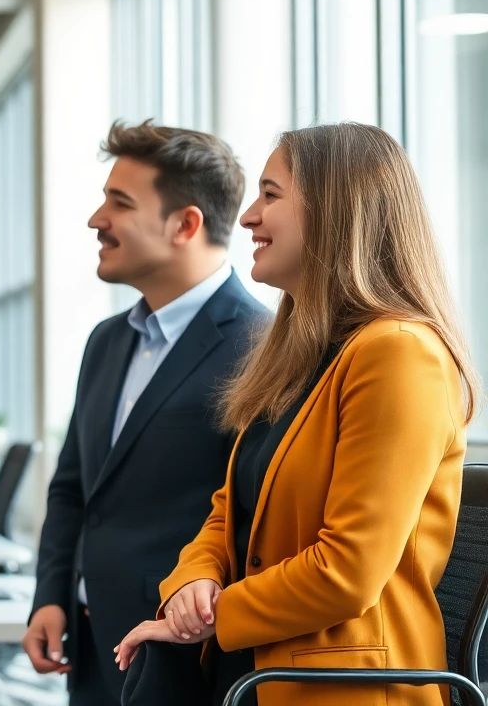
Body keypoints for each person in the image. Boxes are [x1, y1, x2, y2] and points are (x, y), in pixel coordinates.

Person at [116, 122, 481, 706]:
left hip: (340, 689)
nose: (248, 217)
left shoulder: (399, 352)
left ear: (335, 208)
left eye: (271, 194)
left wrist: (210, 617)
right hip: (250, 676)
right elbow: (230, 509)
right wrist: (194, 581)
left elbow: (348, 572)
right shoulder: (301, 358)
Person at [22, 121, 270, 704]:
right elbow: (73, 488)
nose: (96, 219)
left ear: (185, 224)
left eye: (120, 203)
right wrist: (51, 593)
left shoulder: (260, 347)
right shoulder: (106, 342)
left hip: (184, 656)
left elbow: (254, 519)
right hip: (89, 642)